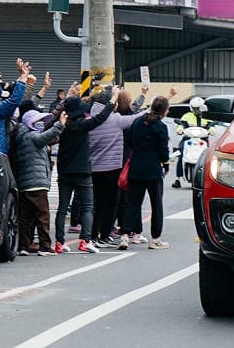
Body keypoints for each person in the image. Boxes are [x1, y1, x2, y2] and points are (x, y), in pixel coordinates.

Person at [54, 87, 119, 254]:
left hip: (64, 172)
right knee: (88, 206)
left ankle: (59, 243)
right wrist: (113, 100)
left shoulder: (61, 126)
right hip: (82, 171)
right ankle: (85, 240)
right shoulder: (83, 125)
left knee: (62, 208)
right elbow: (100, 118)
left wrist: (68, 99)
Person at [88, 87, 148, 247]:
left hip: (94, 169)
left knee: (96, 204)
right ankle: (104, 235)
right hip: (112, 168)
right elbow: (137, 116)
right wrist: (152, 108)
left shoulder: (90, 120)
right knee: (110, 203)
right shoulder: (115, 120)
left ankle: (92, 235)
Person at [118, 95, 171, 250]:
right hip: (153, 170)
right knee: (156, 205)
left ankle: (124, 236)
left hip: (135, 168)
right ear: (164, 111)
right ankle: (155, 239)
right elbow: (163, 150)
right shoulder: (160, 126)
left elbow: (129, 142)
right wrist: (165, 163)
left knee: (133, 204)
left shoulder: (137, 122)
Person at [13, 108, 66, 256]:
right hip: (36, 182)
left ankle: (23, 245)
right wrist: (60, 125)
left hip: (25, 183)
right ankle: (45, 246)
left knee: (26, 217)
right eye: (38, 121)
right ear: (31, 123)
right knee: (42, 216)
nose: (42, 124)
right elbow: (45, 137)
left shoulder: (22, 136)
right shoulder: (33, 136)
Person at [171, 97, 215, 188]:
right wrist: (180, 130)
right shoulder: (187, 116)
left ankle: (207, 178)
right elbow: (181, 125)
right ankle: (177, 179)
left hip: (203, 140)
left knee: (208, 156)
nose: (198, 110)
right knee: (181, 152)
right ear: (192, 108)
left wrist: (211, 130)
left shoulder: (207, 116)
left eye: (199, 108)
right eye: (196, 108)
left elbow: (211, 125)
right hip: (188, 139)